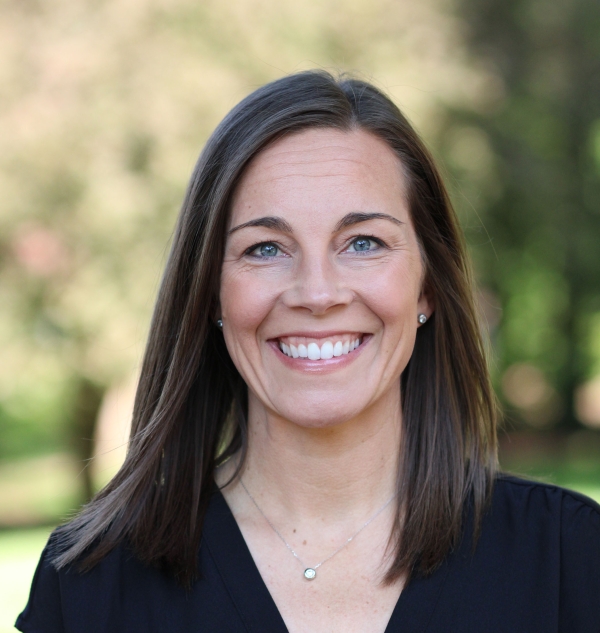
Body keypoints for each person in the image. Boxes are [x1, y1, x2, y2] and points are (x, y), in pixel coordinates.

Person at [17, 70, 600, 633]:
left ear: (427, 285)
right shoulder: (92, 587)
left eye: (363, 242)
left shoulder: (570, 564)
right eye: (266, 248)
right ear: (211, 293)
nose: (317, 293)